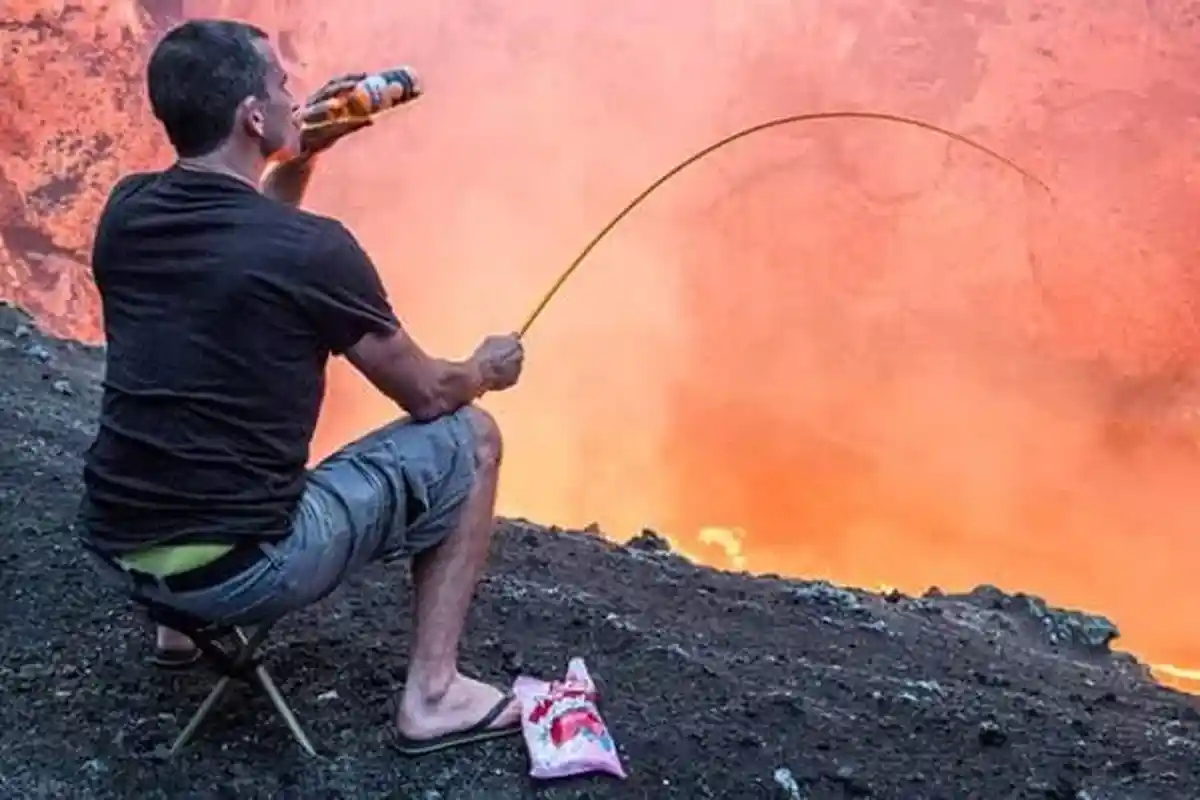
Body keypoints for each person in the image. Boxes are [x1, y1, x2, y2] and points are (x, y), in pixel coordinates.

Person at [77, 18, 526, 755]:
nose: (296, 90)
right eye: (282, 82)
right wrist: (485, 368)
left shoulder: (126, 212)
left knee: (193, 384)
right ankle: (436, 695)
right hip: (242, 571)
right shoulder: (315, 252)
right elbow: (428, 395)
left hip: (120, 548)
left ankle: (175, 635)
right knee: (470, 438)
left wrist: (303, 154)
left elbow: (240, 252)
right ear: (254, 116)